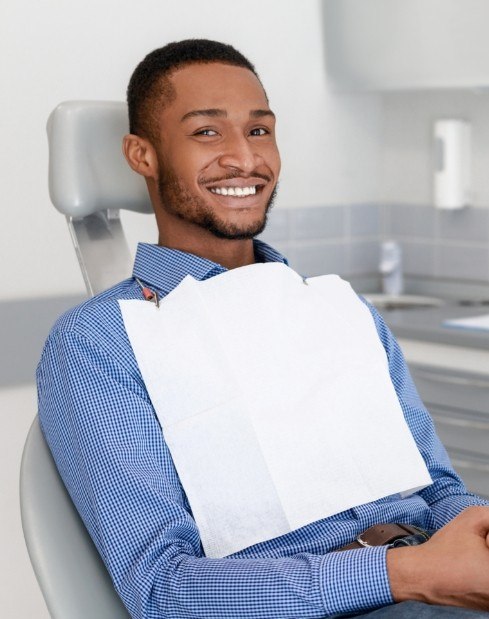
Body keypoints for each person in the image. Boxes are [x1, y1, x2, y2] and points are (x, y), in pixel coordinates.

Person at [37, 39, 489, 619]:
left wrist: (472, 531)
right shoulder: (98, 345)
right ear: (141, 155)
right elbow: (164, 592)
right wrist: (402, 574)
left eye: (258, 131)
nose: (244, 159)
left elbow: (438, 491)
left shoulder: (338, 312)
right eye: (206, 133)